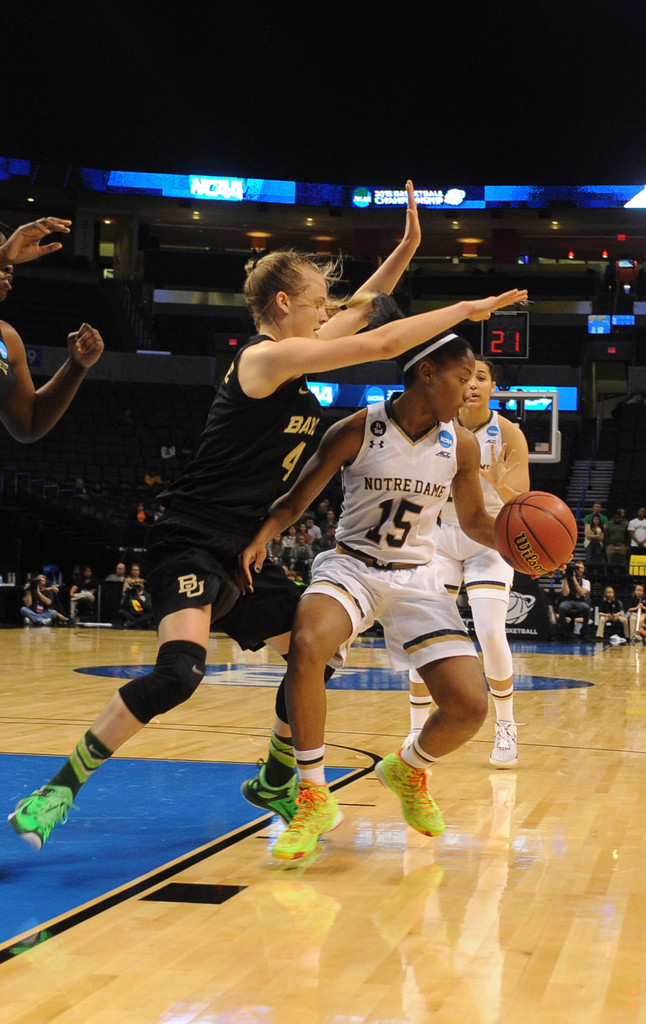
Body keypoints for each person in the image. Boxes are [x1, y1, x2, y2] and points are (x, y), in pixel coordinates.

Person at [8, 182, 528, 850]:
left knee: (317, 651)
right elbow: (377, 342)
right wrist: (469, 309)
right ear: (282, 303)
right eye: (316, 302)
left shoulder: (293, 361)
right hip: (191, 538)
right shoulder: (262, 358)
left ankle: (277, 777)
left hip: (242, 546)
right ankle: (57, 790)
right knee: (179, 673)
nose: (326, 312)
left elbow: (363, 311)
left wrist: (404, 251)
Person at [237, 331, 516, 860]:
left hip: (419, 578)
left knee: (469, 706)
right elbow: (296, 500)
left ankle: (408, 769)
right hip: (353, 566)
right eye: (462, 378)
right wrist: (261, 537)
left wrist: (520, 546)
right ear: (427, 373)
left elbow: (476, 521)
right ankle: (312, 795)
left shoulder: (462, 444)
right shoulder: (357, 429)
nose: (469, 390)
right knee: (307, 645)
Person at [405, 357, 530, 770]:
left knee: (491, 632)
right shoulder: (436, 428)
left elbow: (524, 503)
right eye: (467, 377)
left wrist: (499, 483)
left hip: (488, 539)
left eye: (481, 378)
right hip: (440, 536)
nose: (473, 384)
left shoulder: (508, 432)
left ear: (493, 387)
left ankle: (506, 726)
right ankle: (416, 729)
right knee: (424, 632)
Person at [0, 218, 104, 442]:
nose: (9, 264)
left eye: (9, 257)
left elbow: (29, 424)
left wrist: (77, 366)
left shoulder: (7, 338)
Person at [556, 560, 591, 638]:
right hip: (568, 601)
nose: (578, 569)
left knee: (587, 608)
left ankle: (584, 632)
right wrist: (566, 578)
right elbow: (565, 594)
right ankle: (563, 631)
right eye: (576, 567)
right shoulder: (567, 580)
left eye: (580, 567)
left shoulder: (586, 582)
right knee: (562, 607)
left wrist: (574, 578)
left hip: (580, 602)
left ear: (583, 570)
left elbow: (581, 593)